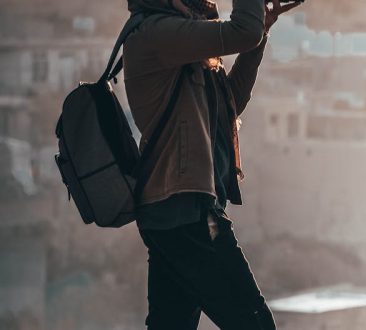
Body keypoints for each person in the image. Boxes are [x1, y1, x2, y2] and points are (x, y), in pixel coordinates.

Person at [123, 0, 303, 329]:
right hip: (185, 214)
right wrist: (253, 27)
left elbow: (229, 104)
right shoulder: (158, 33)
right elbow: (242, 31)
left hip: (176, 215)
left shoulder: (178, 39)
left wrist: (261, 28)